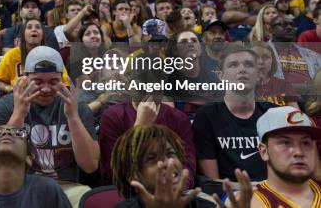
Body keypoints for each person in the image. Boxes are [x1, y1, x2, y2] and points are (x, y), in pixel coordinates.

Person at [0, 46, 99, 207]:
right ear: (25, 77)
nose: (46, 89)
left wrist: (73, 117)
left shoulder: (77, 107)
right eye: (38, 82)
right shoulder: (6, 106)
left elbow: (90, 165)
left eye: (53, 82)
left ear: (63, 80)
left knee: (89, 198)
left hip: (67, 186)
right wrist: (19, 115)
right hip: (20, 185)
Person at [193, 44, 276, 183]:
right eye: (233, 65)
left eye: (248, 65)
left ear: (258, 75)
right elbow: (213, 182)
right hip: (228, 197)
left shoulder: (273, 114)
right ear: (221, 76)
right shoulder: (206, 116)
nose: (242, 69)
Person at [111, 125, 249, 208]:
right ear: (133, 176)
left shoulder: (203, 206)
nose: (168, 163)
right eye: (152, 158)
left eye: (171, 154)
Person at [251, 106, 321, 208]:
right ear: (264, 151)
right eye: (285, 142)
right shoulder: (252, 202)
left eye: (305, 143)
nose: (299, 152)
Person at [0, 19, 69, 93]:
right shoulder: (12, 55)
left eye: (38, 27)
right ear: (23, 35)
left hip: (48, 96)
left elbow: (66, 84)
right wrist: (9, 88)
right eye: (29, 27)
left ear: (43, 35)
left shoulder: (53, 55)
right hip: (18, 97)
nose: (34, 29)